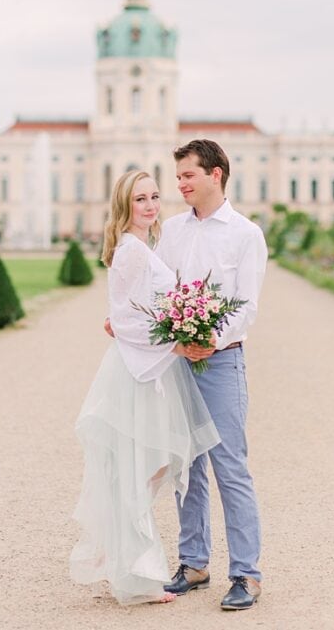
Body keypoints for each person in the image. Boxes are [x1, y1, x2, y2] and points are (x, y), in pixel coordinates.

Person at [106, 140, 268, 610]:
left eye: (187, 176)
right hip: (175, 360)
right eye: (177, 178)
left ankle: (246, 574)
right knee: (186, 466)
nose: (179, 185)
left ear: (215, 175)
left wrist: (210, 340)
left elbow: (248, 306)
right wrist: (130, 322)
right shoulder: (171, 230)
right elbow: (156, 289)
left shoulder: (245, 234)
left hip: (221, 361)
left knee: (230, 468)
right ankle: (193, 562)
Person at [70, 169, 220, 605]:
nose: (151, 205)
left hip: (148, 369)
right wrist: (177, 343)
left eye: (155, 196)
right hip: (141, 372)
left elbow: (127, 315)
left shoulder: (139, 245)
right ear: (125, 205)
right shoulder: (133, 250)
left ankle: (124, 562)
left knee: (143, 471)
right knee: (140, 472)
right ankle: (133, 576)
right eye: (141, 199)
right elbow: (126, 319)